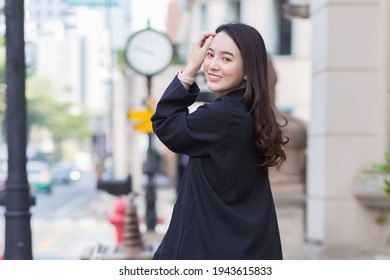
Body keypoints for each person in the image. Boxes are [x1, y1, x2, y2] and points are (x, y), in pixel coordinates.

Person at [151, 22, 288, 260]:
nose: (212, 65)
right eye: (209, 55)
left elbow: (165, 124)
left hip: (209, 251)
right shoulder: (250, 111)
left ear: (247, 70)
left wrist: (189, 69)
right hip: (242, 247)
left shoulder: (224, 113)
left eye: (226, 59)